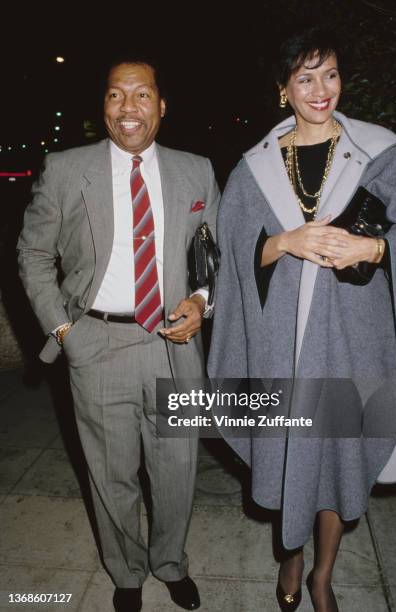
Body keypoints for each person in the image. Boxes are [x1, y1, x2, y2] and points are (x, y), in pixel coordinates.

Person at [208, 28, 396, 612]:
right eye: (305, 78)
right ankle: (289, 557)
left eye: (330, 74)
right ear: (283, 89)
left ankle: (322, 572)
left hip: (355, 342)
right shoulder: (253, 169)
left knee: (340, 460)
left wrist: (375, 251)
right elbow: (233, 252)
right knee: (292, 454)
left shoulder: (382, 154)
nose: (321, 90)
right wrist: (283, 241)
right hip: (280, 347)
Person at [18, 57, 220, 612]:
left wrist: (202, 303)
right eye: (115, 95)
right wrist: (64, 330)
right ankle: (127, 573)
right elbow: (33, 253)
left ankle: (171, 563)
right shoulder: (65, 168)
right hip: (97, 344)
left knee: (177, 472)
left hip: (175, 345)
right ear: (103, 105)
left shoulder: (196, 169)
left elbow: (211, 255)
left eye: (142, 95)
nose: (128, 107)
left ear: (161, 104)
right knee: (111, 475)